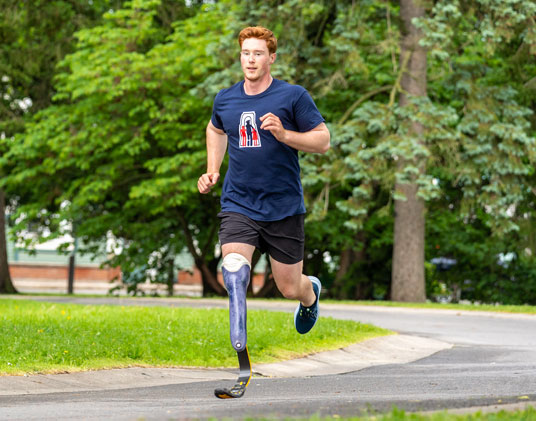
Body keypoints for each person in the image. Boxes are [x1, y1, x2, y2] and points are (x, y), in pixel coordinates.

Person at [197, 26, 330, 353]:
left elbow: (323, 140)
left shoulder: (292, 96)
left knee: (288, 287)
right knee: (233, 270)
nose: (251, 59)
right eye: (245, 53)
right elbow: (215, 129)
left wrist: (286, 135)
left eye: (258, 53)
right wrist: (212, 169)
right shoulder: (226, 98)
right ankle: (240, 346)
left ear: (271, 58)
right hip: (239, 203)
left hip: (283, 207)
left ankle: (310, 292)